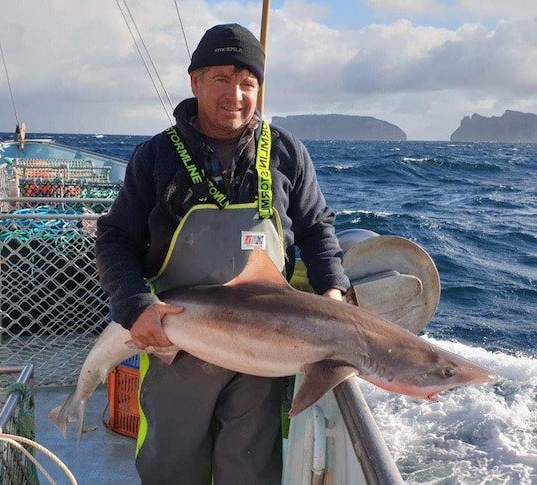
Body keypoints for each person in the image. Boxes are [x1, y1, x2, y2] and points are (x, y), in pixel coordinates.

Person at [95, 23, 350, 485]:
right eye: (221, 79)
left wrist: (333, 290)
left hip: (266, 348)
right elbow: (114, 239)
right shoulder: (155, 156)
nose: (235, 94)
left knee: (250, 469)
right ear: (195, 83)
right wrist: (135, 306)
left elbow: (316, 229)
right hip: (176, 340)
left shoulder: (287, 152)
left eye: (247, 83)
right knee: (171, 467)